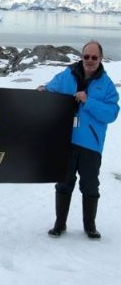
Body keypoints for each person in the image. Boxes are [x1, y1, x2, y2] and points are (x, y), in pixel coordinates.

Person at [38, 40, 119, 239]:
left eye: (94, 57)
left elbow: (111, 113)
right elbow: (52, 89)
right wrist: (43, 92)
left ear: (100, 59)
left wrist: (88, 101)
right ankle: (60, 224)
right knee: (64, 182)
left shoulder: (107, 85)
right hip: (66, 141)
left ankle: (90, 226)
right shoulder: (67, 75)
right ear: (81, 57)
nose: (90, 61)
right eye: (86, 57)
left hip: (91, 145)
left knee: (90, 185)